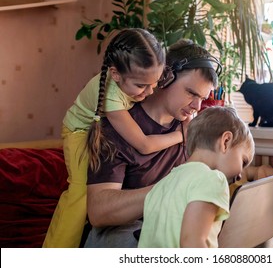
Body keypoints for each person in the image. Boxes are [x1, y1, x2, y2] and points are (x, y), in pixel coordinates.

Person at [43, 28, 183, 248]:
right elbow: (144, 145)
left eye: (154, 84)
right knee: (80, 195)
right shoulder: (110, 94)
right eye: (140, 86)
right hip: (79, 131)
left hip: (98, 127)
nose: (148, 92)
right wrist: (182, 134)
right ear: (116, 74)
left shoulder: (139, 81)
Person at [84, 39, 221, 248]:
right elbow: (99, 211)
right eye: (191, 93)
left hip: (165, 225)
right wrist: (168, 188)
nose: (196, 106)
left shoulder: (188, 128)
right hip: (119, 233)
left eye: (202, 98)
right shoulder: (117, 126)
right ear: (164, 78)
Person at [138, 106, 255, 248]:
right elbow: (192, 243)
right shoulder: (213, 179)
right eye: (243, 161)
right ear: (225, 141)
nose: (240, 174)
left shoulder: (164, 182)